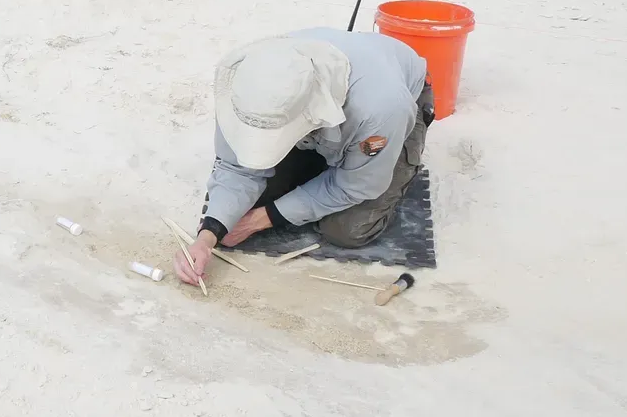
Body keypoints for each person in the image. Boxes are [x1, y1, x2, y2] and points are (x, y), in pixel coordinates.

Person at [175, 28, 434, 286]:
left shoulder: (380, 109)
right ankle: (324, 167)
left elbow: (357, 186)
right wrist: (207, 236)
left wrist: (259, 220)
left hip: (395, 109)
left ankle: (394, 166)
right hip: (320, 118)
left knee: (346, 230)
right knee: (241, 206)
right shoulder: (246, 85)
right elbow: (237, 168)